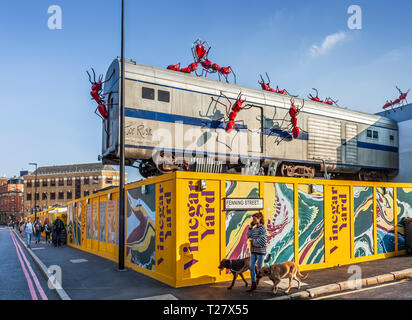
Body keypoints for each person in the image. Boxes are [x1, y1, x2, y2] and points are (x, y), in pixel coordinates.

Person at [246, 212, 267, 292]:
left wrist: (253, 241)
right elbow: (248, 235)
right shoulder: (254, 229)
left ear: (259, 219)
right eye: (253, 219)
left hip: (260, 252)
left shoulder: (262, 228)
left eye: (255, 219)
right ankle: (253, 284)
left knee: (259, 270)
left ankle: (271, 278)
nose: (253, 220)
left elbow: (263, 240)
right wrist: (251, 227)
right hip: (254, 251)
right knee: (251, 267)